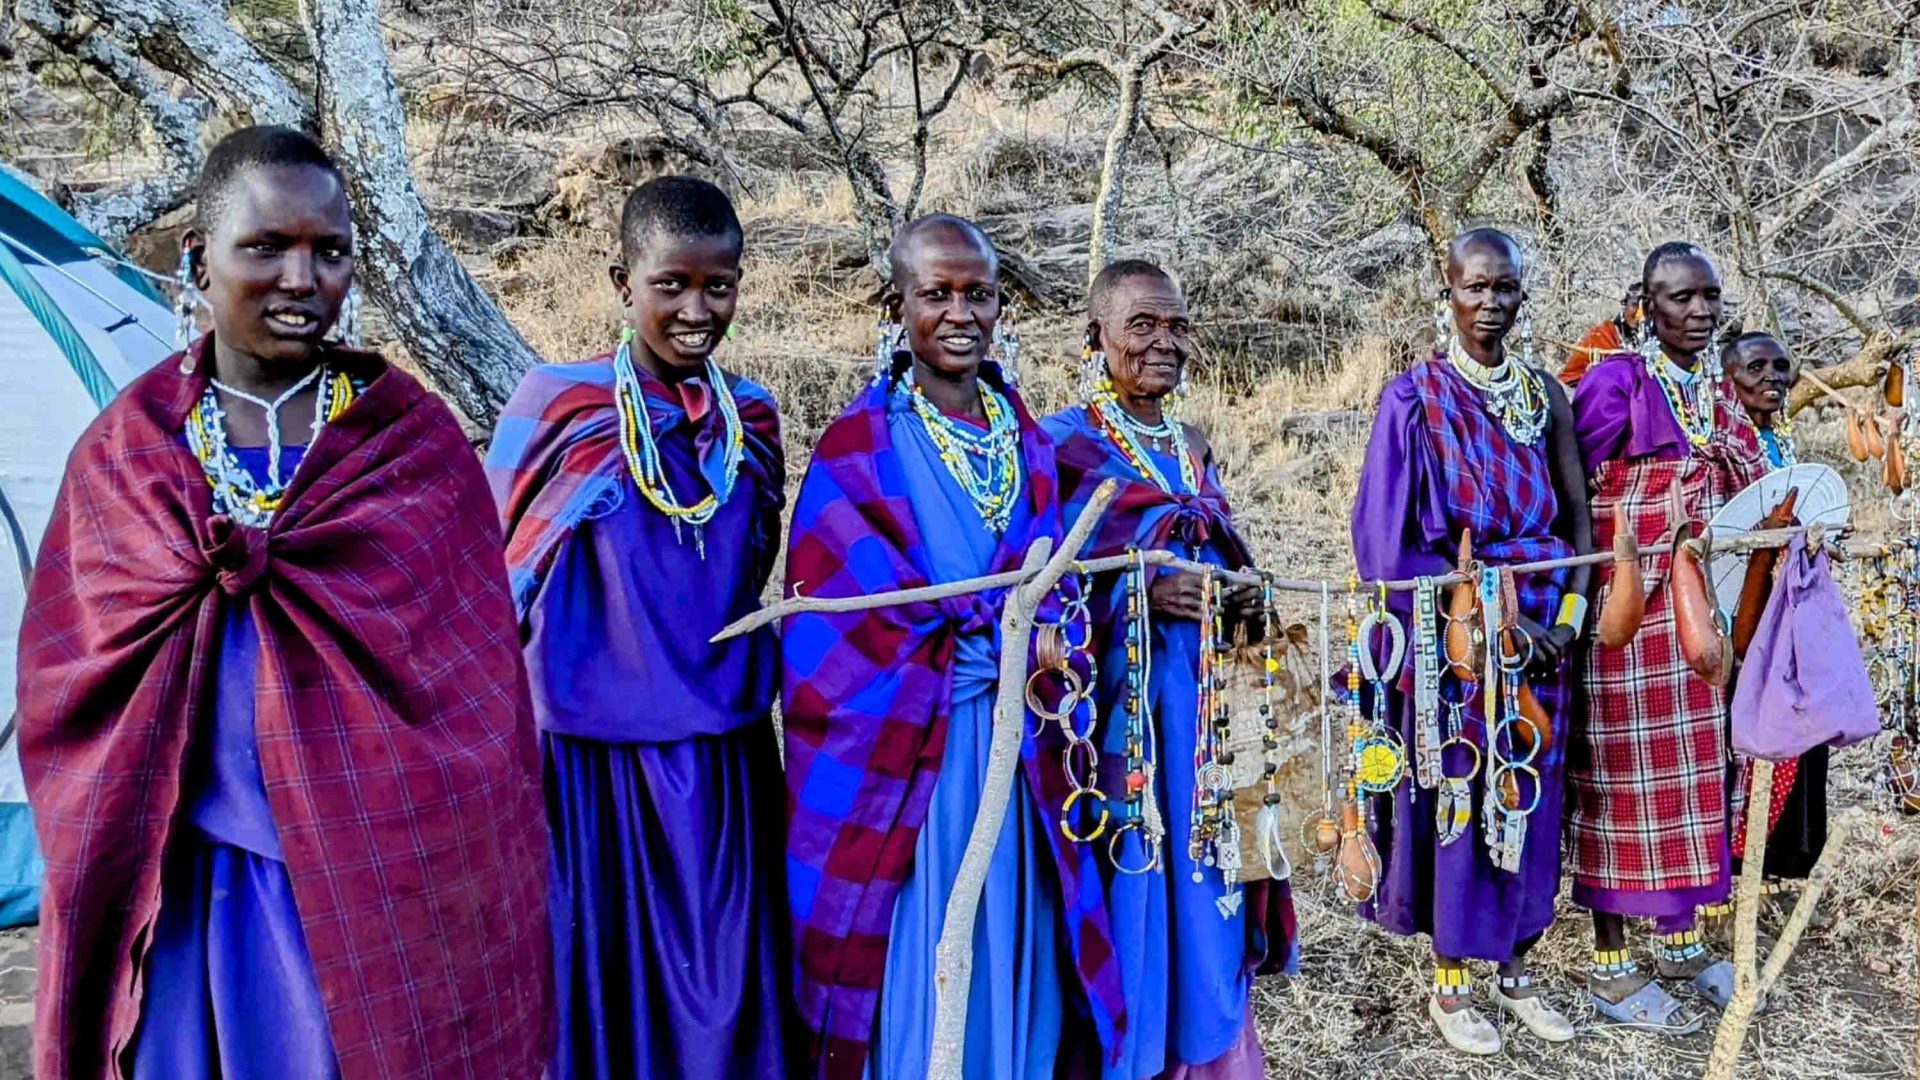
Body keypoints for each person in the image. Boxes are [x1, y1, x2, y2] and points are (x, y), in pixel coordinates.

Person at [15, 126, 549, 1080]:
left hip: (378, 886)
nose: (301, 278)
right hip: (190, 889)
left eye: (329, 250)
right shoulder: (129, 453)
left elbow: (478, 698)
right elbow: (70, 682)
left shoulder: (411, 447)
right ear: (198, 260)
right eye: (265, 247)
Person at [781, 215, 1124, 1080]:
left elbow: (1067, 596)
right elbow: (832, 640)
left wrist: (1046, 648)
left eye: (979, 294)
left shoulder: (1035, 448)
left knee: (1017, 932)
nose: (961, 313)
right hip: (908, 765)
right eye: (937, 293)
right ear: (896, 304)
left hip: (1021, 757)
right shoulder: (856, 454)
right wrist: (966, 655)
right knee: (919, 945)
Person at [487, 176, 791, 1078]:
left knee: (727, 993)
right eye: (671, 284)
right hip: (587, 766)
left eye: (719, 285)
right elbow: (494, 584)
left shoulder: (755, 422)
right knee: (599, 990)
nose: (697, 310)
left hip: (725, 759)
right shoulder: (561, 409)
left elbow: (754, 571)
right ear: (623, 282)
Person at [1041, 259, 1292, 1079]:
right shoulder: (1061, 445)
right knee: (1140, 874)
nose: (1163, 342)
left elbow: (1218, 546)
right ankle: (1141, 1050)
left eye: (1177, 326)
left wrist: (1247, 605)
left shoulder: (1190, 445)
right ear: (1096, 337)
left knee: (1213, 872)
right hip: (1128, 714)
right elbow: (1041, 584)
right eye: (1141, 326)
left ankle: (1210, 1044)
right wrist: (1145, 586)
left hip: (1214, 703)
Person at [1350, 229, 1592, 1054]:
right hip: (1456, 630)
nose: (1491, 304)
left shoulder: (1547, 396)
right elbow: (1385, 548)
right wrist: (1486, 613)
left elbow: (1579, 522)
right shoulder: (1413, 400)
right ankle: (1453, 984)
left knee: (1534, 793)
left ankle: (1519, 971)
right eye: (1475, 288)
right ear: (1447, 292)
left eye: (1506, 289)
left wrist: (1564, 623)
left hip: (1544, 629)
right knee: (1463, 793)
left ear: (1524, 295)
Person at [1570, 242, 1768, 1033]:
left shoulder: (1717, 394)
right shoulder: (1615, 381)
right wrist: (1666, 511)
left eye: (1710, 297)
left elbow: (1751, 485)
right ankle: (1610, 964)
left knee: (1693, 777)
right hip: (1630, 614)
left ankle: (1682, 938)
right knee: (1621, 782)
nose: (1699, 312)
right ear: (1646, 306)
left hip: (1700, 617)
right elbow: (1579, 493)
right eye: (1681, 299)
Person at [1719, 332, 1830, 898]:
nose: (1772, 378)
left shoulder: (1778, 441)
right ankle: (1741, 858)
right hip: (1742, 612)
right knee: (1753, 733)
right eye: (1755, 367)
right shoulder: (1720, 448)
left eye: (1781, 367)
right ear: (1727, 379)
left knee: (1794, 728)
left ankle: (1780, 856)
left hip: (1789, 611)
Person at [1560, 282, 1643, 387]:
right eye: (1635, 305)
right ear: (1624, 305)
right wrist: (1595, 376)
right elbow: (1568, 379)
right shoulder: (1600, 335)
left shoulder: (1660, 341)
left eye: (1646, 306)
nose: (1640, 313)